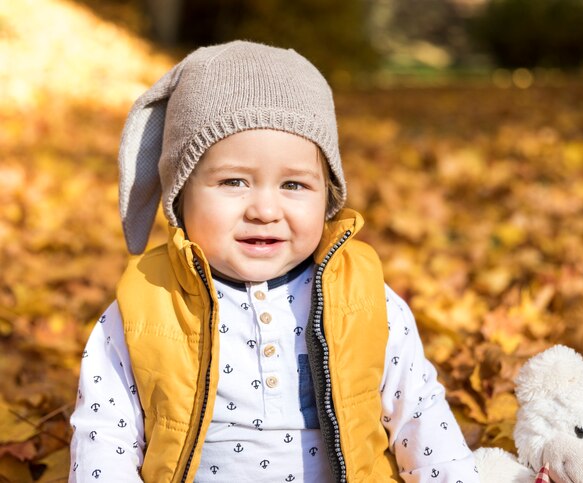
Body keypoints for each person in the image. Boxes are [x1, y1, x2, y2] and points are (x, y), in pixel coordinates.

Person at [69, 40, 479, 482]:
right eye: (233, 181)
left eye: (294, 186)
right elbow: (104, 437)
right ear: (180, 194)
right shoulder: (144, 306)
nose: (264, 210)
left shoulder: (367, 301)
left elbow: (419, 414)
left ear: (328, 196)